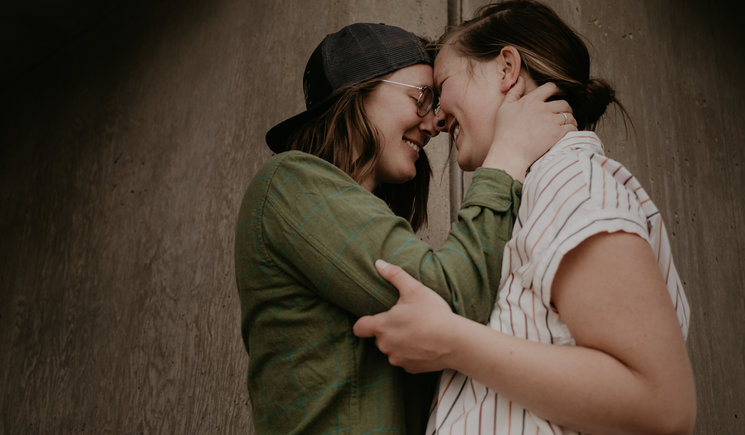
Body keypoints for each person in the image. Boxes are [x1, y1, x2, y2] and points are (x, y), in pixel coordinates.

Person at [353, 0, 696, 434]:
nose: (436, 120)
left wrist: (452, 342)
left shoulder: (569, 179)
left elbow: (661, 405)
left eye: (441, 89)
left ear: (506, 68)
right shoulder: (533, 196)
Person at [234, 22, 576, 434]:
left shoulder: (358, 219)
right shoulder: (286, 183)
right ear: (358, 93)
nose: (434, 125)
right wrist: (506, 158)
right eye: (422, 97)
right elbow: (450, 302)